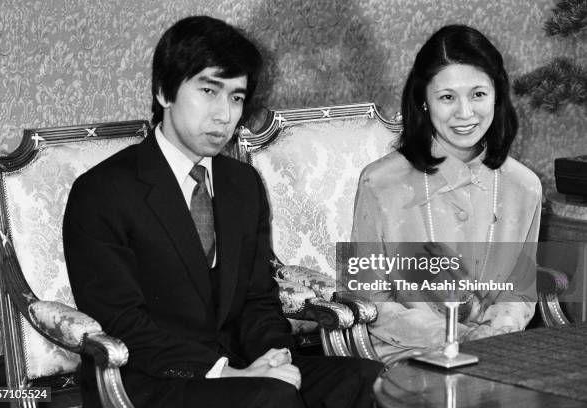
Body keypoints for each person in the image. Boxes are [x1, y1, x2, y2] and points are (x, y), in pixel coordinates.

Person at [63, 15, 381, 408]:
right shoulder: (102, 191)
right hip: (152, 380)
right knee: (272, 397)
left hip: (244, 369)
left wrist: (274, 357)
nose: (224, 114)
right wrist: (227, 373)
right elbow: (124, 324)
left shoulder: (242, 184)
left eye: (236, 97)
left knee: (367, 380)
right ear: (164, 91)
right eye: (209, 91)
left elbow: (258, 301)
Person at [351, 25, 541, 358]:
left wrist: (494, 335)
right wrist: (454, 336)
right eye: (447, 97)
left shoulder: (524, 186)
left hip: (497, 352)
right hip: (407, 353)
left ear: (498, 95)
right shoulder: (379, 183)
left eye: (478, 94)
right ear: (423, 101)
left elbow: (521, 293)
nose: (465, 114)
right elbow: (368, 299)